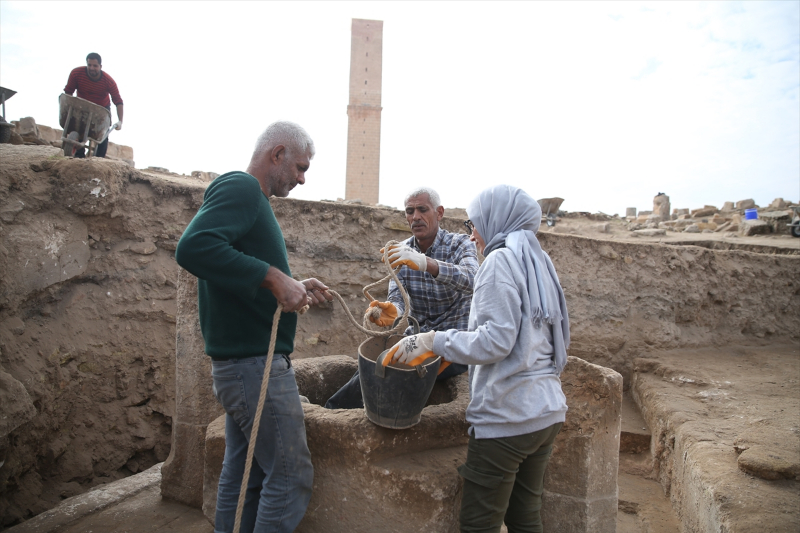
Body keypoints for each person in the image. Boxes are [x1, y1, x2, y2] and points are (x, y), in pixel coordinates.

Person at [175, 121, 332, 533]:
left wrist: (291, 283)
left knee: (245, 472)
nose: (302, 179)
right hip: (253, 367)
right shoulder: (242, 188)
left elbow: (237, 269)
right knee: (290, 476)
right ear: (276, 154)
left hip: (244, 367)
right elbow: (193, 248)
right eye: (300, 167)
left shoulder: (249, 197)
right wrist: (274, 277)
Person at [385, 184, 570, 533]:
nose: (472, 236)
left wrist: (432, 341)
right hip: (547, 411)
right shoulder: (537, 260)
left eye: (475, 224)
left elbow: (495, 342)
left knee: (478, 524)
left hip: (510, 415)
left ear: (496, 220)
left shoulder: (498, 262)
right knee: (525, 518)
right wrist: (391, 312)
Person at [324, 187, 479, 409]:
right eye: (409, 211)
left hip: (452, 342)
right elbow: (398, 297)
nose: (415, 217)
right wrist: (392, 310)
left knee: (391, 369)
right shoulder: (401, 252)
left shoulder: (460, 243)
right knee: (376, 362)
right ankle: (333, 411)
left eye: (422, 209)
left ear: (439, 213)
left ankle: (332, 410)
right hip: (418, 339)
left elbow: (472, 279)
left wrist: (426, 263)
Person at [63, 52, 123, 158]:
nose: (91, 68)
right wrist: (68, 109)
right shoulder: (76, 74)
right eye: (89, 65)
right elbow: (68, 91)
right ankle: (79, 156)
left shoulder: (108, 81)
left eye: (95, 66)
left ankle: (99, 158)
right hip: (82, 106)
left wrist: (120, 121)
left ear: (100, 66)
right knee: (78, 127)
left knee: (102, 135)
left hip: (101, 110)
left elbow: (118, 101)